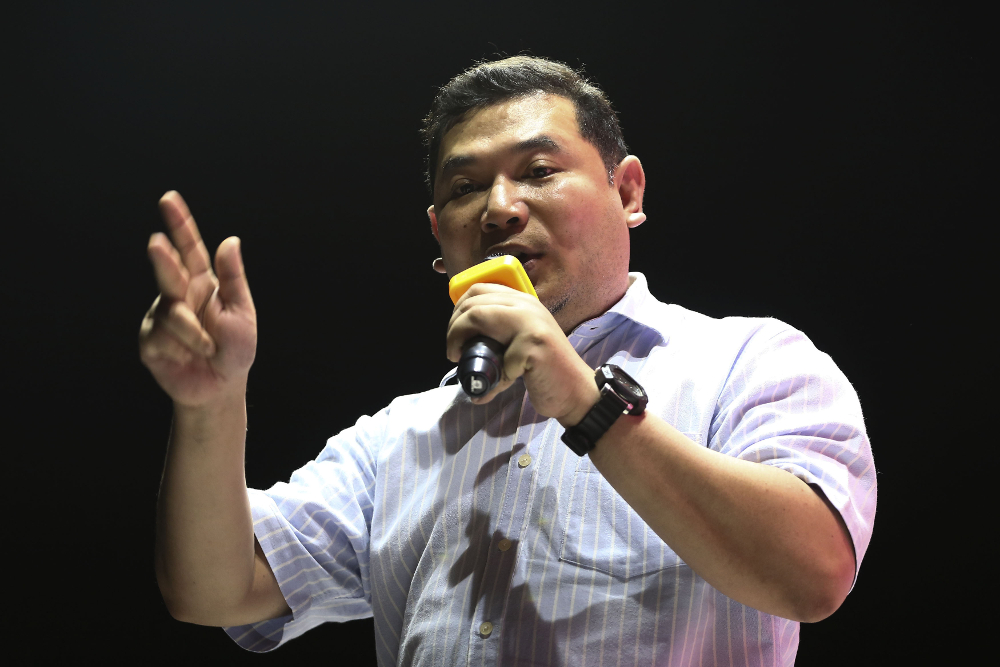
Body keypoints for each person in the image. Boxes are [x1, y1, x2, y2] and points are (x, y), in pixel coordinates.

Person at [144, 56, 876, 666]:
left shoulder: (749, 361)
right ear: (439, 238)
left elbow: (812, 574)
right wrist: (210, 407)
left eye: (538, 170)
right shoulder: (399, 438)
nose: (499, 208)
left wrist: (586, 403)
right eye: (464, 188)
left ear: (628, 192)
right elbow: (214, 586)